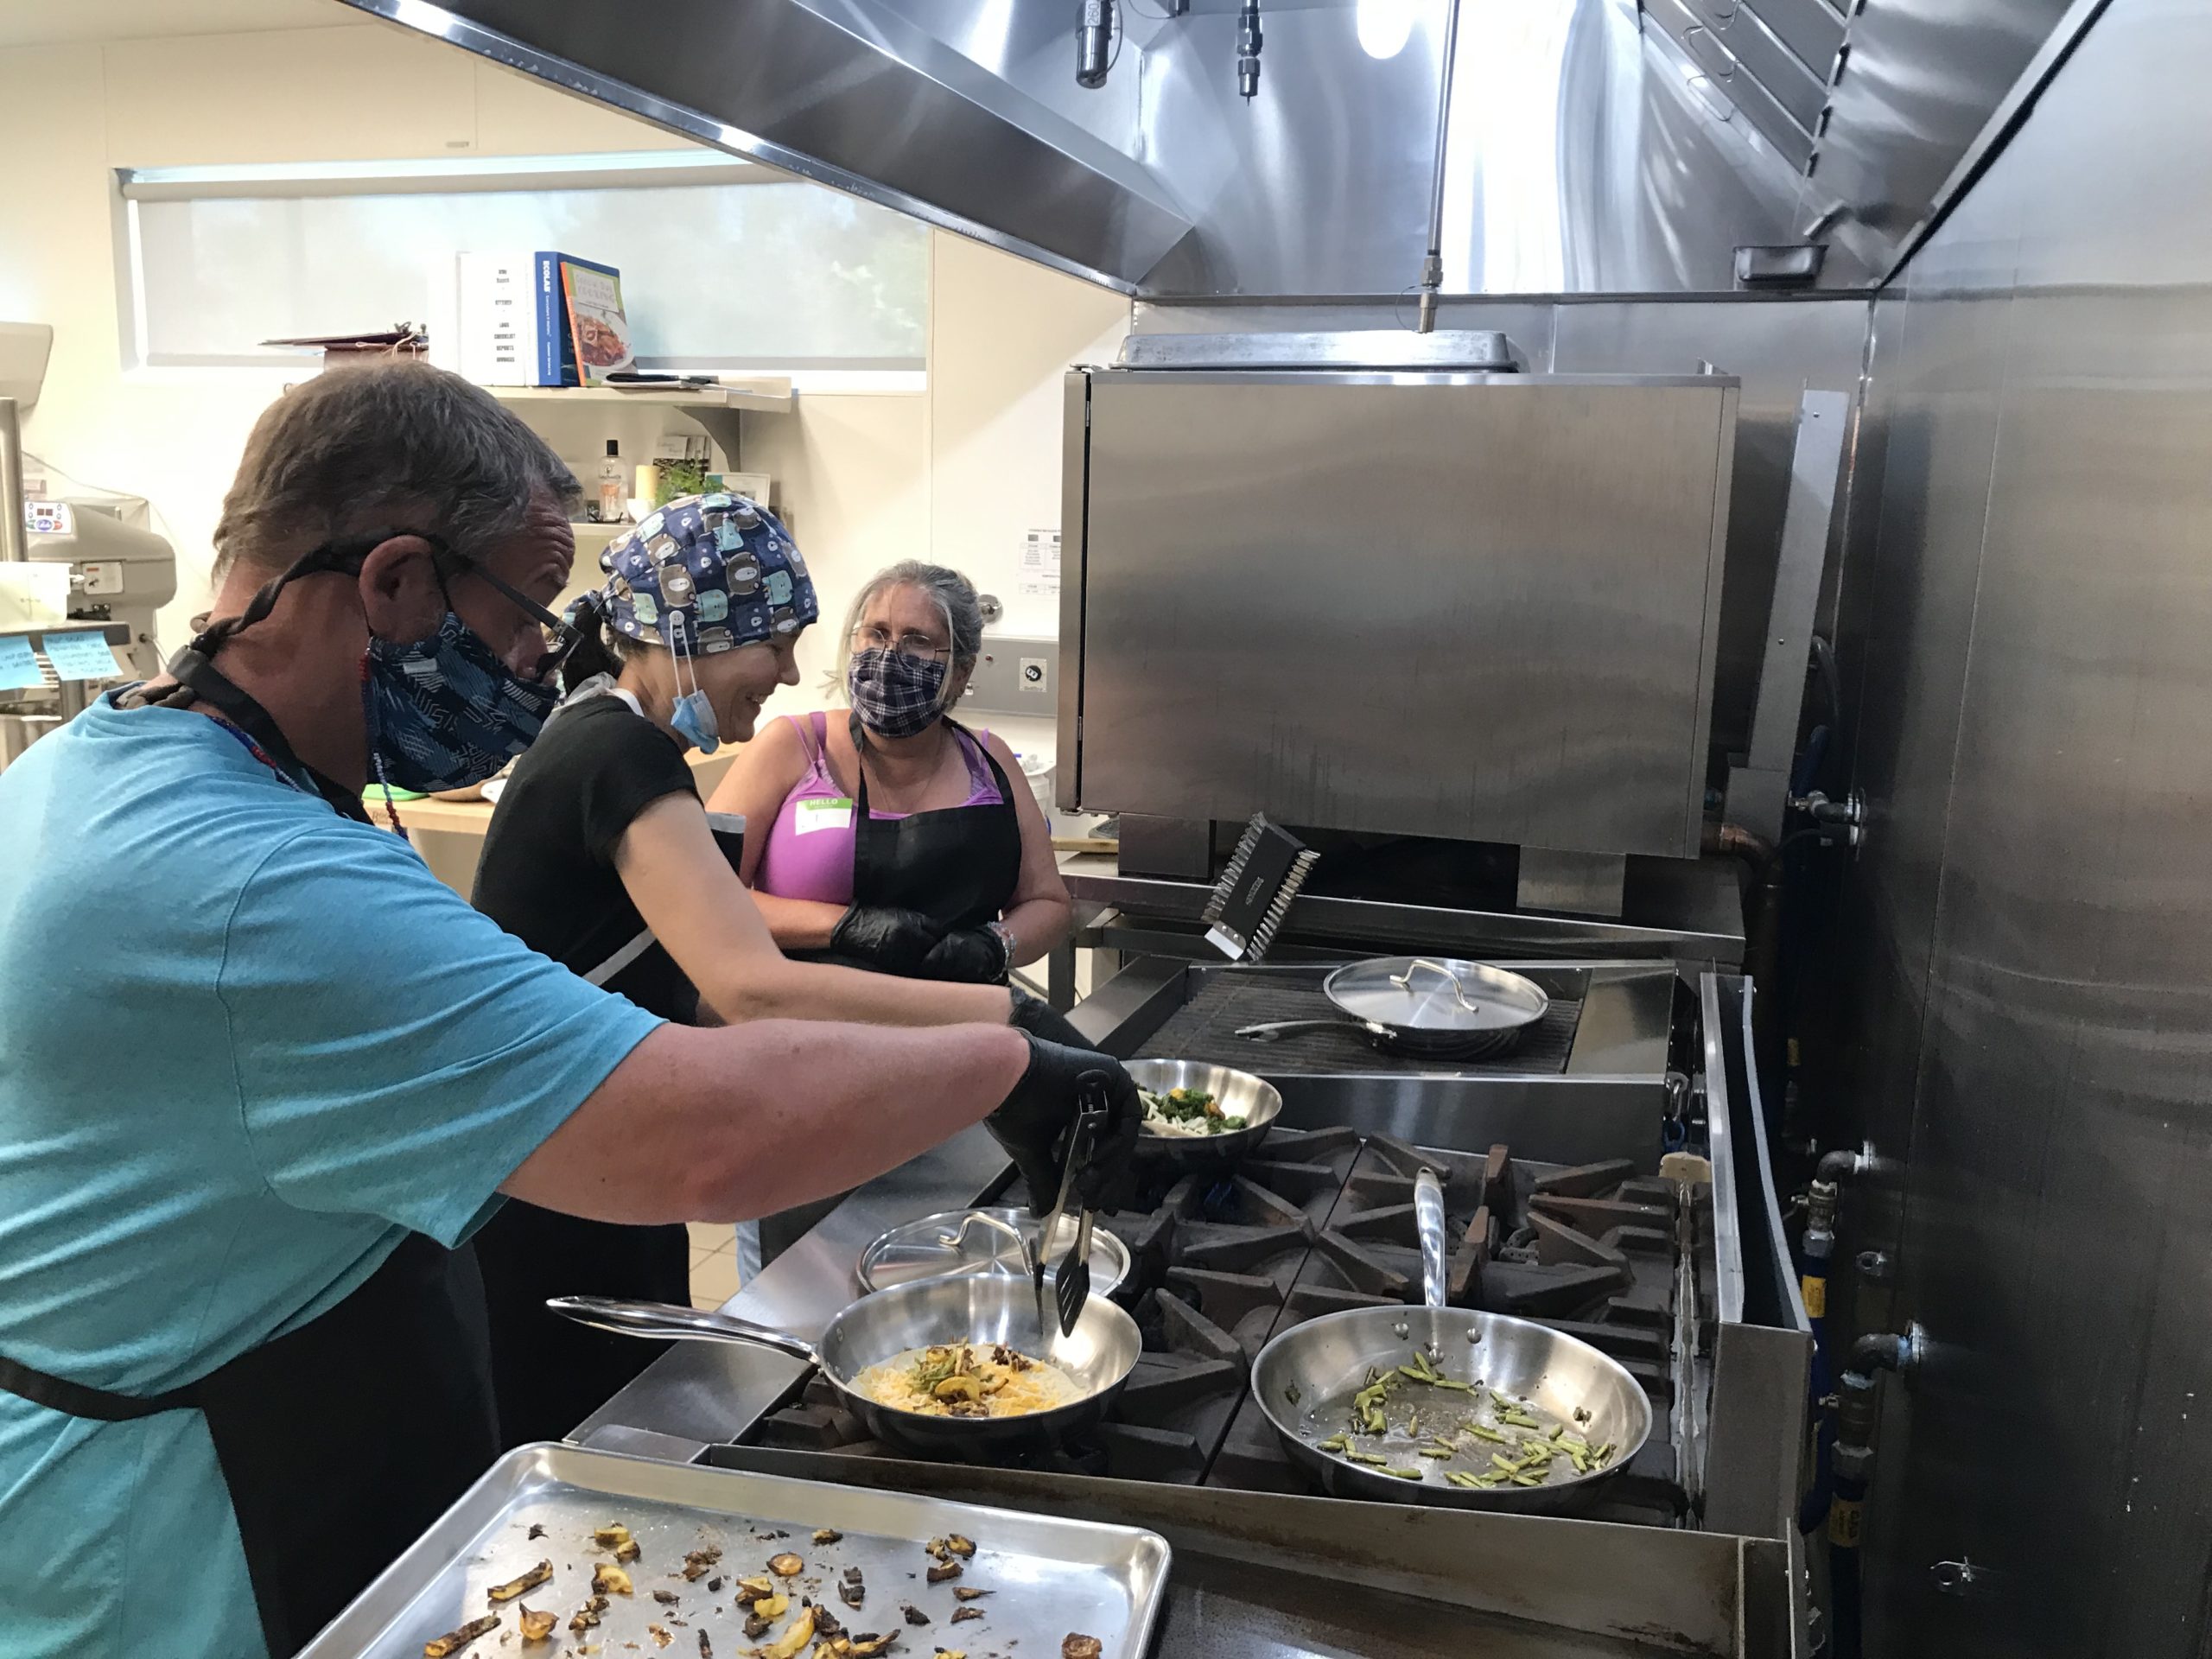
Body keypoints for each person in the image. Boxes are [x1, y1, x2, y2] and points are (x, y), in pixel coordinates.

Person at [0, 359, 1138, 1659]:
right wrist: (1004, 1061)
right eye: (526, 607)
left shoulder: (93, 765)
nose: (546, 652)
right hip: (186, 1543)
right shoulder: (254, 874)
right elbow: (698, 1135)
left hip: (240, 1444)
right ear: (396, 583)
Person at [468, 496, 1093, 1445]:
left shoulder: (611, 737)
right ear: (697, 633)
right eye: (779, 643)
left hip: (580, 1130)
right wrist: (1003, 1020)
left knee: (622, 1409)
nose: (794, 673)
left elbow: (694, 979)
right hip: (552, 1154)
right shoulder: (620, 756)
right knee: (591, 1426)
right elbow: (749, 983)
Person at [712, 561, 1073, 982]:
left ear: (961, 672)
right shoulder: (793, 747)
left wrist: (996, 945)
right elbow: (702, 898)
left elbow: (1048, 903)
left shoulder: (990, 761)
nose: (888, 656)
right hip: (807, 1007)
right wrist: (844, 927)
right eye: (876, 633)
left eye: (917, 640)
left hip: (961, 1010)